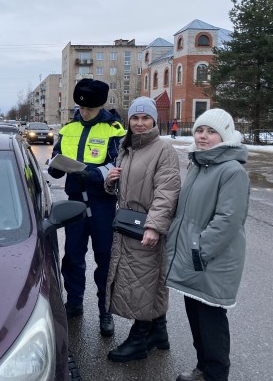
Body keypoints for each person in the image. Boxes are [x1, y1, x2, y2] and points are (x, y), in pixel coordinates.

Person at [165, 108, 250, 381]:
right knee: (196, 315)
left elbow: (228, 220)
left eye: (211, 132)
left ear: (225, 136)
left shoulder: (231, 170)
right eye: (200, 130)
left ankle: (216, 375)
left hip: (211, 260)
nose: (203, 136)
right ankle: (203, 369)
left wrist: (198, 251)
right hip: (194, 257)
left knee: (211, 319)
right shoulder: (199, 164)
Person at [104, 96, 181, 363]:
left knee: (144, 284)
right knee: (146, 282)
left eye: (145, 118)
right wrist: (111, 181)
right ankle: (159, 333)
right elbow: (127, 188)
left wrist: (154, 227)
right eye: (135, 118)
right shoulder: (127, 149)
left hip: (146, 229)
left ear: (154, 120)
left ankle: (139, 339)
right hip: (128, 227)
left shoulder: (163, 150)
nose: (139, 123)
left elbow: (167, 191)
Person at [47, 78, 126, 337]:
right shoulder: (69, 128)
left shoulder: (113, 129)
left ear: (100, 105)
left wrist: (93, 175)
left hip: (101, 203)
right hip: (74, 203)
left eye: (89, 109)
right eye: (81, 108)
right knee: (73, 257)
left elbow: (118, 165)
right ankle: (75, 303)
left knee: (104, 259)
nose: (84, 112)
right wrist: (55, 167)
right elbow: (56, 160)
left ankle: (105, 311)